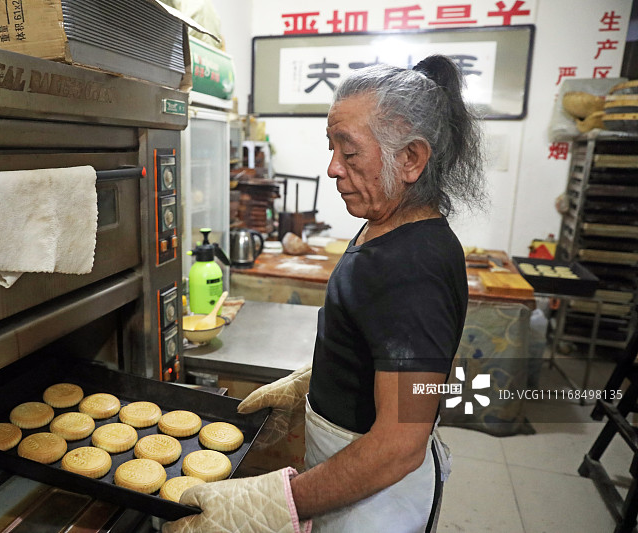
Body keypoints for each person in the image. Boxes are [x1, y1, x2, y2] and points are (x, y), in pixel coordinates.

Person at [163, 54, 486, 533]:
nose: (333, 167)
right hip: (348, 475)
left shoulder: (412, 265)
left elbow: (398, 445)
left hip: (376, 501)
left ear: (411, 159)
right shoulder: (384, 229)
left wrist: (272, 505)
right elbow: (378, 342)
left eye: (349, 152)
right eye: (331, 147)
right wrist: (312, 384)